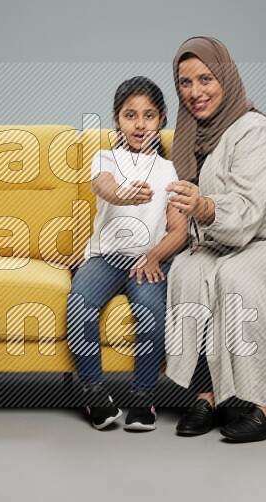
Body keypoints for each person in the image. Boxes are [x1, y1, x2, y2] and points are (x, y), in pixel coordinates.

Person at [164, 37, 266, 442]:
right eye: (185, 83)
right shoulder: (191, 136)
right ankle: (208, 394)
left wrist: (202, 207)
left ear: (227, 77)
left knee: (237, 275)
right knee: (187, 268)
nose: (195, 93)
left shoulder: (255, 130)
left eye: (206, 79)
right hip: (228, 242)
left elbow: (247, 212)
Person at [67, 76, 188, 431]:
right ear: (117, 120)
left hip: (148, 260)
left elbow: (179, 229)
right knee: (78, 307)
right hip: (105, 258)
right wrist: (123, 194)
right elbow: (103, 186)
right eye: (130, 115)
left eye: (148, 116)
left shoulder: (168, 170)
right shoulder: (106, 157)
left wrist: (154, 255)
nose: (139, 124)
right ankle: (94, 394)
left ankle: (142, 398)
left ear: (161, 119)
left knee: (152, 313)